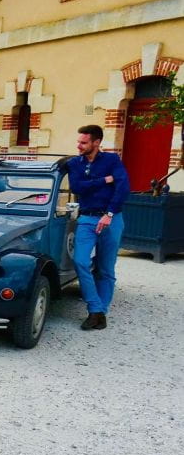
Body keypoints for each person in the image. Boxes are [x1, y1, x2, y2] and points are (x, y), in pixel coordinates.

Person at [67, 124, 130, 330]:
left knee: (105, 268)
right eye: (78, 142)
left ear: (96, 142)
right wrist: (104, 180)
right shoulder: (75, 163)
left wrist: (109, 214)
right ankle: (95, 308)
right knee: (81, 261)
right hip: (86, 218)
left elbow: (122, 187)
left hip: (111, 219)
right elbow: (77, 187)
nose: (79, 146)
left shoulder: (112, 160)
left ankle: (99, 313)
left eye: (83, 142)